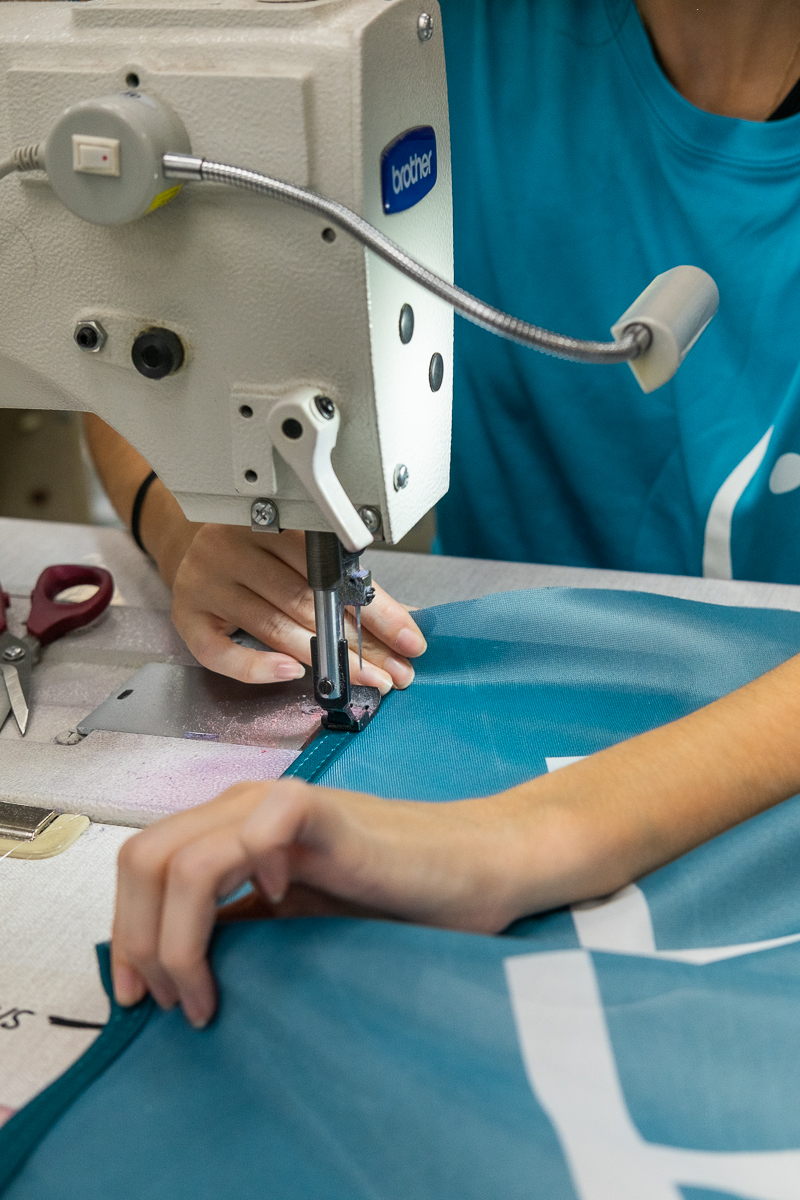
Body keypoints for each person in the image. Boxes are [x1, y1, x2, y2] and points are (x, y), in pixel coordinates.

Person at [99, 0, 800, 1030]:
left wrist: (510, 844)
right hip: (486, 700)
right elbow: (131, 324)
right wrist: (183, 522)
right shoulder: (428, 34)